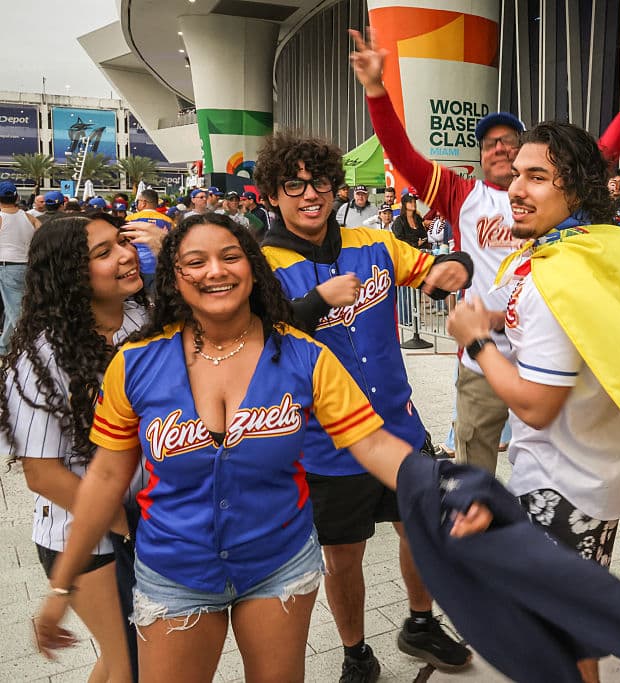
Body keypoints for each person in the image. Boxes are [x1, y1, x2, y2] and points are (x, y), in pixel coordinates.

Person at [31, 212, 492, 683]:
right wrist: (61, 585)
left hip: (280, 565)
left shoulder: (305, 355)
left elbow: (373, 443)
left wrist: (441, 491)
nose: (216, 271)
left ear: (253, 268)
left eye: (230, 256)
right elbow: (106, 477)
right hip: (173, 571)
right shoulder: (135, 362)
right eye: (196, 261)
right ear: (174, 276)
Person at [350, 26, 620, 474]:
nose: (500, 148)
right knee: (473, 471)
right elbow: (402, 154)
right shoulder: (461, 195)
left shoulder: (556, 195)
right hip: (483, 357)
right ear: (481, 155)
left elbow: (603, 152)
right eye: (490, 143)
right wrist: (375, 90)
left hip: (546, 351)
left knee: (549, 469)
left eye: (510, 141)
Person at [255, 131, 474, 682]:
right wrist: (315, 302)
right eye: (293, 185)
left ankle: (420, 623)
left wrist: (454, 268)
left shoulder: (373, 242)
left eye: (320, 182)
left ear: (336, 187)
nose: (310, 194)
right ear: (272, 195)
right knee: (343, 555)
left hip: (399, 427)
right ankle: (356, 653)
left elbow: (431, 270)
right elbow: (257, 339)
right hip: (324, 445)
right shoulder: (261, 264)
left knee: (419, 530)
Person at [443, 121, 620, 683]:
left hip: (563, 485)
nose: (515, 188)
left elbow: (536, 406)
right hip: (598, 473)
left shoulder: (556, 279)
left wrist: (477, 342)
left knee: (550, 641)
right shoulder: (593, 248)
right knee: (570, 627)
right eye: (517, 174)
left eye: (537, 176)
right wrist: (497, 320)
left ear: (575, 188)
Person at [1, 213, 150, 683]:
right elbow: (42, 475)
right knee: (132, 664)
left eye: (122, 242)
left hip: (147, 522)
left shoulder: (144, 320)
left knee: (124, 658)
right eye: (104, 253)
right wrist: (123, 523)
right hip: (86, 536)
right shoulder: (39, 357)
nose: (125, 255)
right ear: (71, 274)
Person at [0, 181, 41, 353]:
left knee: (15, 310)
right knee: (15, 307)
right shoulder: (29, 217)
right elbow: (42, 233)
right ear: (16, 197)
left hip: (6, 266)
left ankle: (28, 346)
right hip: (28, 266)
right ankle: (4, 346)